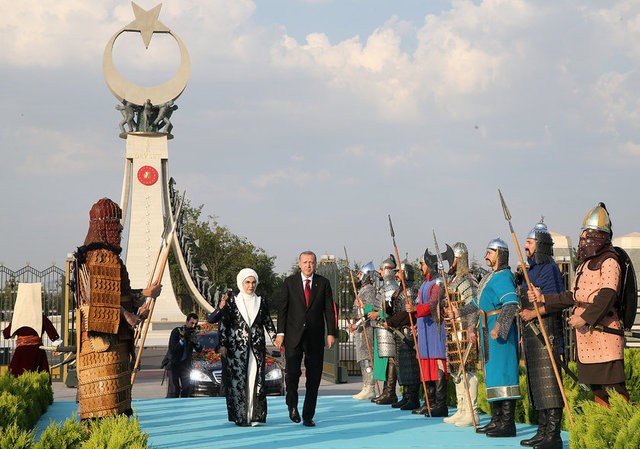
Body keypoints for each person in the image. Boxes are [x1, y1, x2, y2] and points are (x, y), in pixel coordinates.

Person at [529, 203, 629, 407]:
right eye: (582, 236)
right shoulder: (584, 264)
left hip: (605, 333)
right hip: (587, 337)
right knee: (597, 389)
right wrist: (543, 298)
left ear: (600, 237)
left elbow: (607, 295)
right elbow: (572, 295)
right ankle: (604, 427)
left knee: (615, 388)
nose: (583, 240)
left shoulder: (610, 261)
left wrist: (584, 317)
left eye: (587, 236)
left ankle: (624, 426)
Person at [74, 197, 162, 419]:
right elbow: (98, 300)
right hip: (104, 341)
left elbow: (117, 295)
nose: (121, 228)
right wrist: (127, 314)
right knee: (104, 398)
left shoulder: (105, 257)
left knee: (115, 398)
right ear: (105, 225)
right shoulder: (101, 257)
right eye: (116, 223)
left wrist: (144, 296)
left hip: (116, 338)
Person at [459, 238, 521, 438]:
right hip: (487, 331)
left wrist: (500, 327)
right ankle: (496, 420)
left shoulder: (504, 277)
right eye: (486, 252)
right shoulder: (489, 277)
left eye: (490, 252)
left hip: (499, 334)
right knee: (493, 375)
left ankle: (508, 423)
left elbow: (511, 304)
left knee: (504, 374)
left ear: (500, 254)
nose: (486, 255)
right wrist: (458, 312)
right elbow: (477, 303)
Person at [275, 251, 337, 427]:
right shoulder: (290, 282)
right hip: (293, 337)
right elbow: (283, 310)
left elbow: (329, 310)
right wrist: (280, 333)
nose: (308, 265)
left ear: (315, 264)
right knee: (293, 374)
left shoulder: (323, 283)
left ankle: (308, 415)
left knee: (314, 377)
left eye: (311, 262)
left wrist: (331, 333)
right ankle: (292, 406)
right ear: (299, 264)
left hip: (315, 337)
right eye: (305, 262)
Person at [517, 220, 565, 449]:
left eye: (528, 242)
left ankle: (553, 434)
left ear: (540, 245)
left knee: (551, 385)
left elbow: (557, 302)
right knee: (537, 385)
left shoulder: (551, 269)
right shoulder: (531, 270)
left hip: (547, 333)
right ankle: (542, 430)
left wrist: (533, 313)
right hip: (531, 336)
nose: (525, 246)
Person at [219, 269, 277, 426]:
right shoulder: (232, 302)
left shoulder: (261, 301)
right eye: (247, 282)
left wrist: (275, 338)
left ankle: (253, 415)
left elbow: (267, 322)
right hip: (236, 350)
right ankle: (241, 416)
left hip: (257, 349)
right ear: (241, 283)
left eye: (253, 282)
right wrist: (223, 344)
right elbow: (223, 324)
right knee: (238, 382)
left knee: (255, 380)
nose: (251, 286)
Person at [443, 242, 479, 427]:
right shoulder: (453, 281)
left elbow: (473, 307)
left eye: (452, 259)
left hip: (465, 331)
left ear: (459, 259)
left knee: (468, 370)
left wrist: (472, 329)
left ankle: (472, 411)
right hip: (454, 330)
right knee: (458, 370)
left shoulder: (467, 280)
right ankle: (462, 408)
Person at [409, 251, 448, 417]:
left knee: (437, 366)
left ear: (430, 265)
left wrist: (416, 309)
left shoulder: (438, 283)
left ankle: (441, 404)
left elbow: (433, 305)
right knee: (426, 367)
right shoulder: (424, 284)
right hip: (424, 331)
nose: (420, 267)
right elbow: (421, 303)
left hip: (436, 331)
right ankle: (429, 402)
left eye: (423, 264)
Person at [382, 261, 420, 410]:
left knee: (410, 366)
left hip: (407, 333)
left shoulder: (410, 291)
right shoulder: (399, 290)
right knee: (402, 366)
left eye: (399, 272)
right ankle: (406, 396)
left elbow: (406, 314)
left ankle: (413, 397)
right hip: (399, 333)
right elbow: (396, 310)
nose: (396, 274)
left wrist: (391, 321)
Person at [2, 282, 61, 377]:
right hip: (37, 352)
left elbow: (6, 334)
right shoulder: (41, 317)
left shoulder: (18, 318)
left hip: (21, 354)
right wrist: (56, 346)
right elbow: (53, 334)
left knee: (17, 379)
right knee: (39, 379)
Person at [367, 255, 399, 405]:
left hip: (387, 327)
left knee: (391, 359)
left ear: (387, 270)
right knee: (387, 359)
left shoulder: (391, 288)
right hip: (381, 327)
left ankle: (390, 392)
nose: (380, 272)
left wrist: (377, 314)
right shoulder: (384, 287)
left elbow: (390, 309)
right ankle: (387, 391)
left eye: (382, 269)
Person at [348, 261, 377, 400]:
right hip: (360, 328)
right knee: (363, 359)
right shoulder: (363, 289)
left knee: (367, 359)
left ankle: (370, 387)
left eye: (361, 273)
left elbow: (368, 311)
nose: (358, 276)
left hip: (367, 328)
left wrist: (356, 324)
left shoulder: (370, 289)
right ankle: (365, 385)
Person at [166, 313, 201, 398]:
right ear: (186, 321)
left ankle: (183, 407)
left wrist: (195, 342)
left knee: (186, 389)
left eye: (195, 324)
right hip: (173, 364)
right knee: (174, 391)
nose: (193, 326)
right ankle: (172, 407)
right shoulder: (177, 331)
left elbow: (199, 349)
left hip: (185, 365)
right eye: (191, 323)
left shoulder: (193, 334)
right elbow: (173, 348)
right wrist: (182, 339)